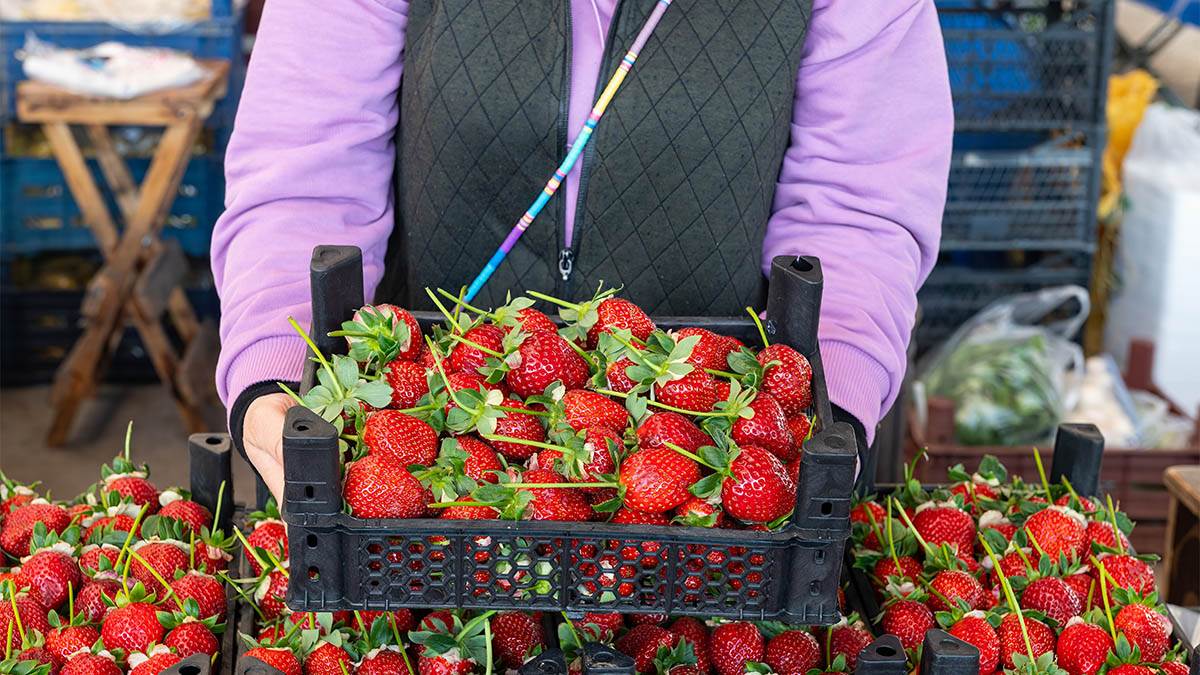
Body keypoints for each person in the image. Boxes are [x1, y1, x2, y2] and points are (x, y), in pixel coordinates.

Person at [214, 0, 953, 501]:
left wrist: (829, 404)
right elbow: (309, 166)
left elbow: (859, 201)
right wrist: (278, 373)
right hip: (435, 471)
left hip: (704, 480)